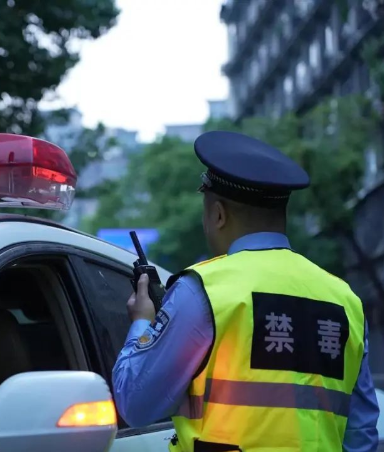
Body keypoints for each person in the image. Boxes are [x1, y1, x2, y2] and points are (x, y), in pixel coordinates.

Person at [113, 131, 380, 452]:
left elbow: (135, 404)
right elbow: (360, 433)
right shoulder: (345, 299)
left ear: (218, 214)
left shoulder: (203, 290)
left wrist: (142, 322)